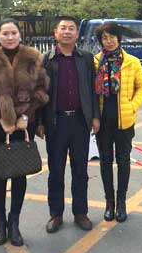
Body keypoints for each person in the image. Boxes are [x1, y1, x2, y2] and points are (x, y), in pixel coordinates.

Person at [0, 19, 49, 247]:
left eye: (13, 33)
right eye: (5, 33)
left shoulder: (32, 58)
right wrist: (1, 119)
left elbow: (41, 90)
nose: (10, 37)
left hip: (24, 126)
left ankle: (14, 221)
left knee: (19, 173)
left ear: (20, 34)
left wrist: (26, 117)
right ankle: (0, 222)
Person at [40, 16, 100, 233]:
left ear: (77, 33)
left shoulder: (86, 59)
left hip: (80, 122)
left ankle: (80, 213)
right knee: (56, 171)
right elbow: (39, 93)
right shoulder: (46, 59)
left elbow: (93, 89)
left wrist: (95, 117)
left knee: (80, 170)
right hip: (55, 122)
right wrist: (40, 122)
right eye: (63, 28)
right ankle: (56, 214)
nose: (67, 32)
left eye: (71, 28)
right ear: (55, 33)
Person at [93, 22, 142, 222]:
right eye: (104, 38)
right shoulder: (95, 62)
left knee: (123, 161)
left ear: (119, 38)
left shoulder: (132, 62)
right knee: (105, 161)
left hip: (124, 121)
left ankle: (121, 202)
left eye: (111, 37)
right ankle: (109, 203)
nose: (108, 41)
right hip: (103, 121)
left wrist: (133, 106)